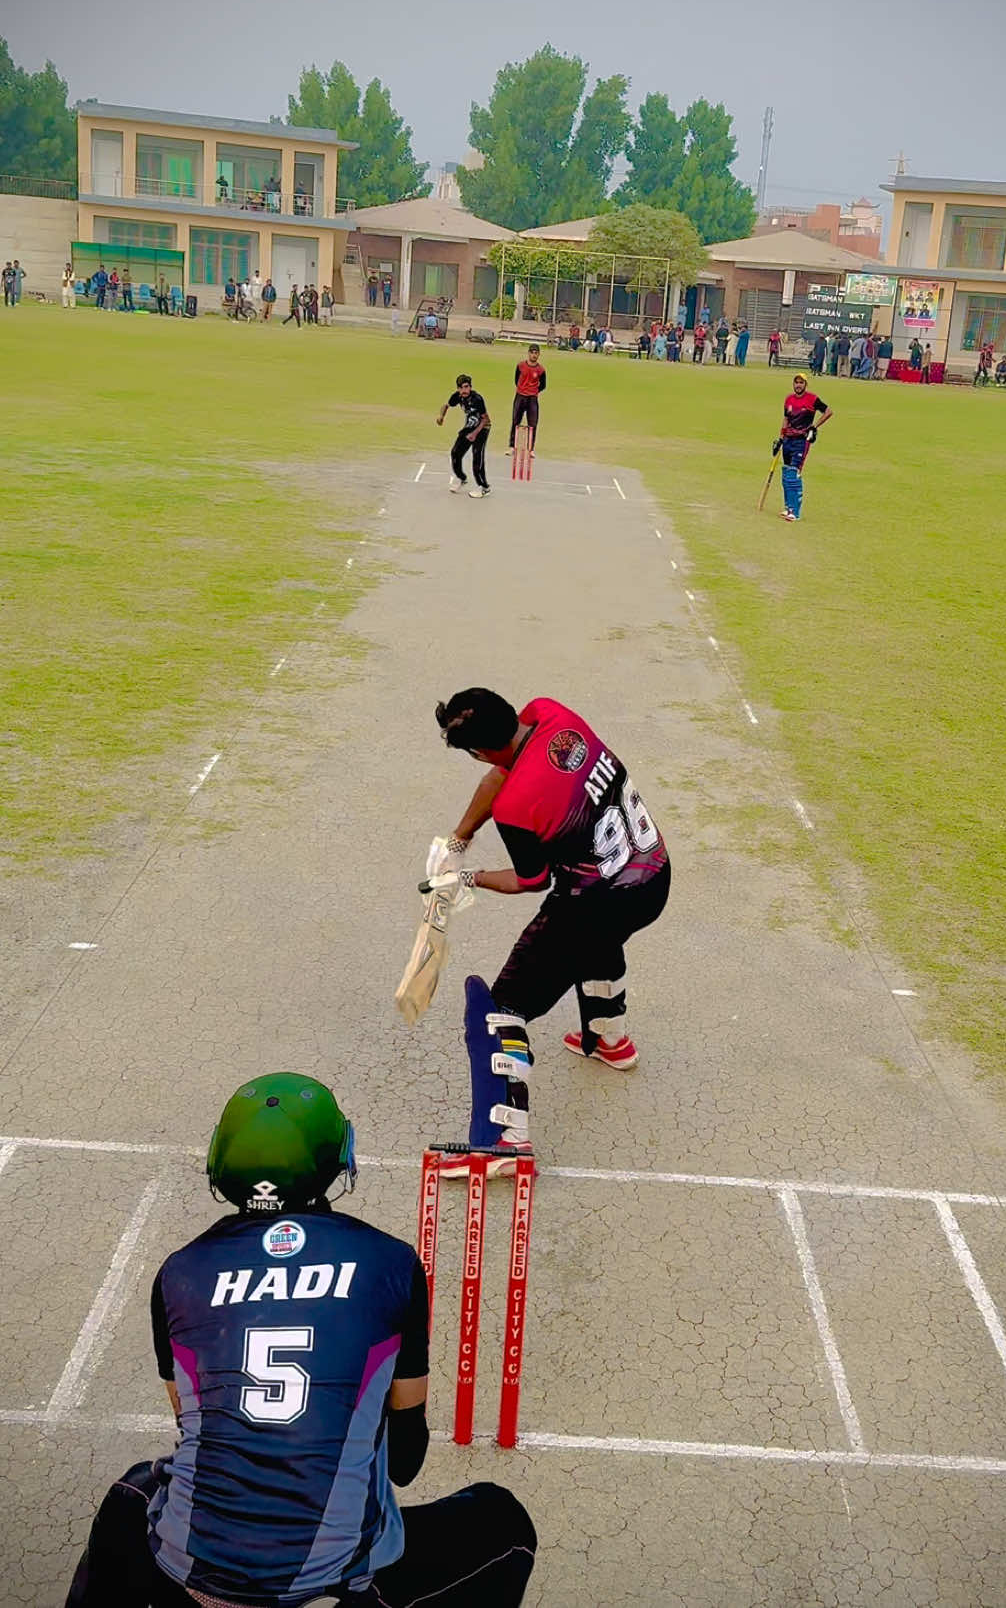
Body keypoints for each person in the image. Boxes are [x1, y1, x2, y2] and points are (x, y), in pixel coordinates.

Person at [65, 1072, 537, 1608]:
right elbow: (405, 1460)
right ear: (336, 1161)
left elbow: (196, 1426)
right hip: (331, 1585)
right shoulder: (390, 1262)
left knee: (134, 1492)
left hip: (189, 1577)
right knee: (502, 1520)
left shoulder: (179, 1273)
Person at [427, 687, 671, 1169]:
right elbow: (504, 771)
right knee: (600, 940)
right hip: (652, 873)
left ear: (477, 753)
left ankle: (503, 1142)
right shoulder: (552, 714)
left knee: (500, 1010)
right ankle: (609, 1041)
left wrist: (466, 878)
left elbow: (529, 880)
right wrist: (459, 838)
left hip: (597, 901)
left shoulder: (517, 806)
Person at [776, 372, 834, 523]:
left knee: (794, 474)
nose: (798, 385)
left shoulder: (812, 399)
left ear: (805, 384)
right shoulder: (789, 399)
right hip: (788, 439)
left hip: (801, 441)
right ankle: (788, 507)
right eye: (796, 382)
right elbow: (786, 419)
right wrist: (780, 439)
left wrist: (814, 426)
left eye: (801, 383)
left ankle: (795, 511)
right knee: (786, 473)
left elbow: (828, 412)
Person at [437, 372, 491, 498]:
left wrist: (474, 434)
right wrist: (441, 416)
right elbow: (446, 405)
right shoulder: (457, 397)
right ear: (458, 388)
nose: (464, 390)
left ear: (470, 387)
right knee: (455, 453)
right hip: (469, 427)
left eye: (466, 387)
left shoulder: (477, 399)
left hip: (482, 428)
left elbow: (485, 419)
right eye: (461, 387)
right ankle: (462, 478)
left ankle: (484, 487)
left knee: (477, 456)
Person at [507, 343, 546, 454]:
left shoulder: (541, 370)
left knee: (532, 424)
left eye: (536, 353)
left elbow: (543, 385)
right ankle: (512, 447)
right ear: (528, 353)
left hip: (532, 399)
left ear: (538, 354)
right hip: (520, 397)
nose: (534, 355)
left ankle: (530, 449)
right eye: (532, 353)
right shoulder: (520, 366)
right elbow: (516, 380)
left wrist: (533, 391)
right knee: (515, 421)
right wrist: (522, 389)